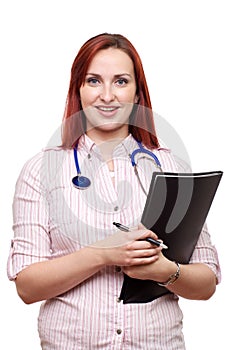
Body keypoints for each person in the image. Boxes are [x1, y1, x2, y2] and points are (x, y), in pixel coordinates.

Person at [7, 33, 221, 349]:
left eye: (121, 82)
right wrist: (105, 254)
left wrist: (164, 271)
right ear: (78, 90)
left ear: (137, 94)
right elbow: (27, 287)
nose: (107, 95)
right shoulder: (41, 170)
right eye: (94, 81)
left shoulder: (171, 168)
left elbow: (206, 283)